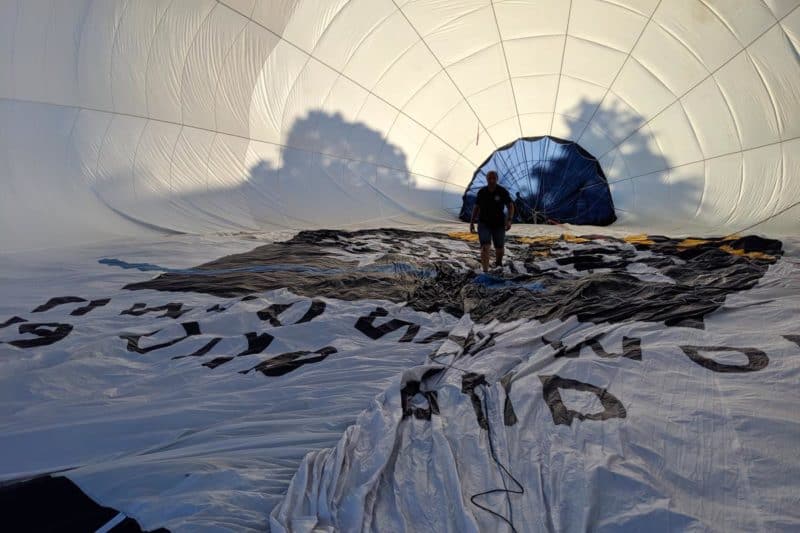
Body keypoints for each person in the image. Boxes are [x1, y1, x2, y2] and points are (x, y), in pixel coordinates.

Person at [469, 170, 514, 272]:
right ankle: (485, 271)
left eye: (494, 178)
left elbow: (510, 206)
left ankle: (498, 263)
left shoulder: (502, 191)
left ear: (497, 179)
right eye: (490, 178)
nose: (492, 180)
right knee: (485, 247)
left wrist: (509, 220)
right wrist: (472, 223)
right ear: (487, 179)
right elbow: (476, 207)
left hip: (498, 223)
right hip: (484, 223)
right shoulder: (482, 192)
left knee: (499, 247)